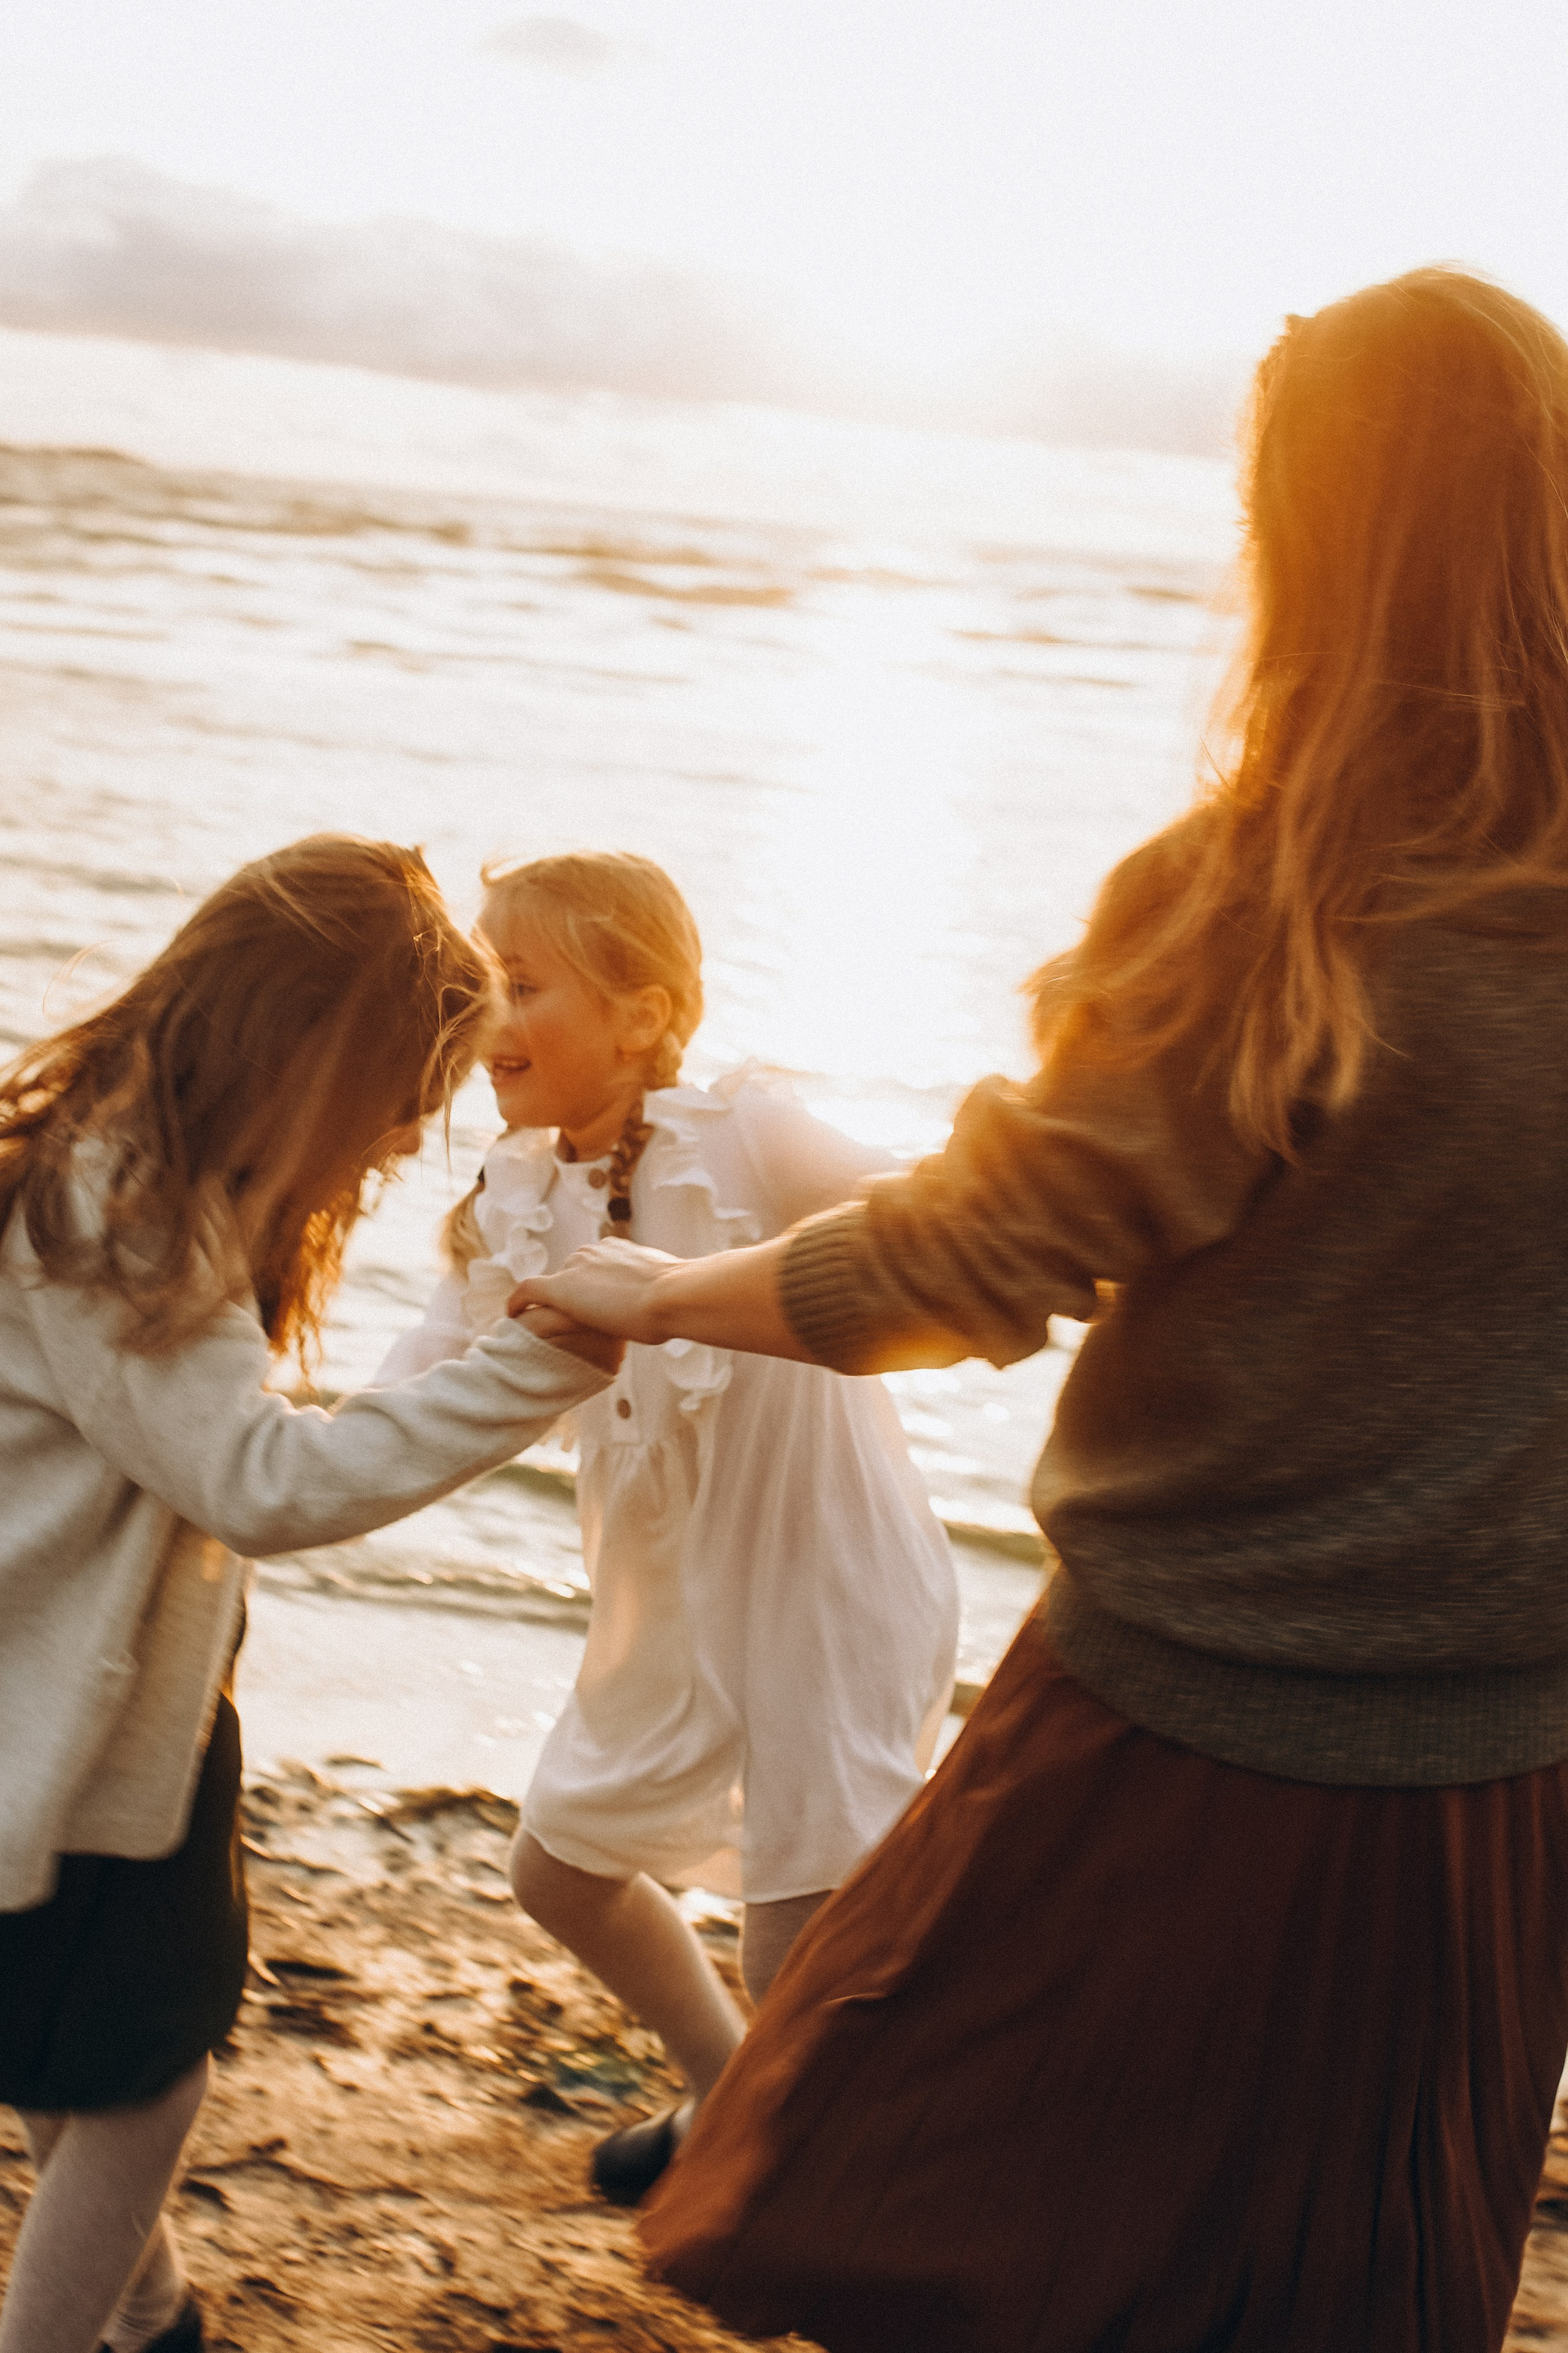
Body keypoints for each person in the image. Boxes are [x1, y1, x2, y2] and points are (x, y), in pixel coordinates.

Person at [513, 269, 1568, 2353]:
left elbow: (962, 1265)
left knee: (936, 2246)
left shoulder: (1267, 902)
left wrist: (662, 1288)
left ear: (1308, 538)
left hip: (1168, 1738)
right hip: (1500, 1778)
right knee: (1343, 2299)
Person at [0, 836, 617, 2353]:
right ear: (309, 1049)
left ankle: (153, 2325)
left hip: (102, 1706)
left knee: (76, 2040)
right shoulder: (119, 1205)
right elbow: (263, 1484)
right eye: (404, 1096)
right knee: (145, 2070)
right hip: (54, 1720)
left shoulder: (138, 1155)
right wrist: (540, 1364)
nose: (409, 1140)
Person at [377, 849, 957, 2204]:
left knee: (796, 1930)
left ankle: (867, 2175)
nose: (486, 1010)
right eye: (481, 983)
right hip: (664, 1590)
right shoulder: (511, 1200)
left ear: (638, 1017)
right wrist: (279, 1461)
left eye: (520, 984)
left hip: (820, 1572)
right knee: (560, 1865)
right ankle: (727, 2092)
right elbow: (415, 1386)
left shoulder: (746, 1136)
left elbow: (935, 1223)